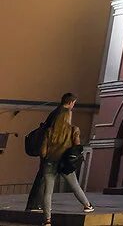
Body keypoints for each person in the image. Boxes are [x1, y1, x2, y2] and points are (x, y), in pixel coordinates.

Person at [25, 94, 94, 224]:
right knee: (75, 186)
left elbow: (43, 151)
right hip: (64, 163)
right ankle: (87, 205)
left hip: (50, 162)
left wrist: (47, 157)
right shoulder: (73, 130)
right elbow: (77, 146)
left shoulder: (49, 132)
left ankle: (47, 220)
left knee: (48, 192)